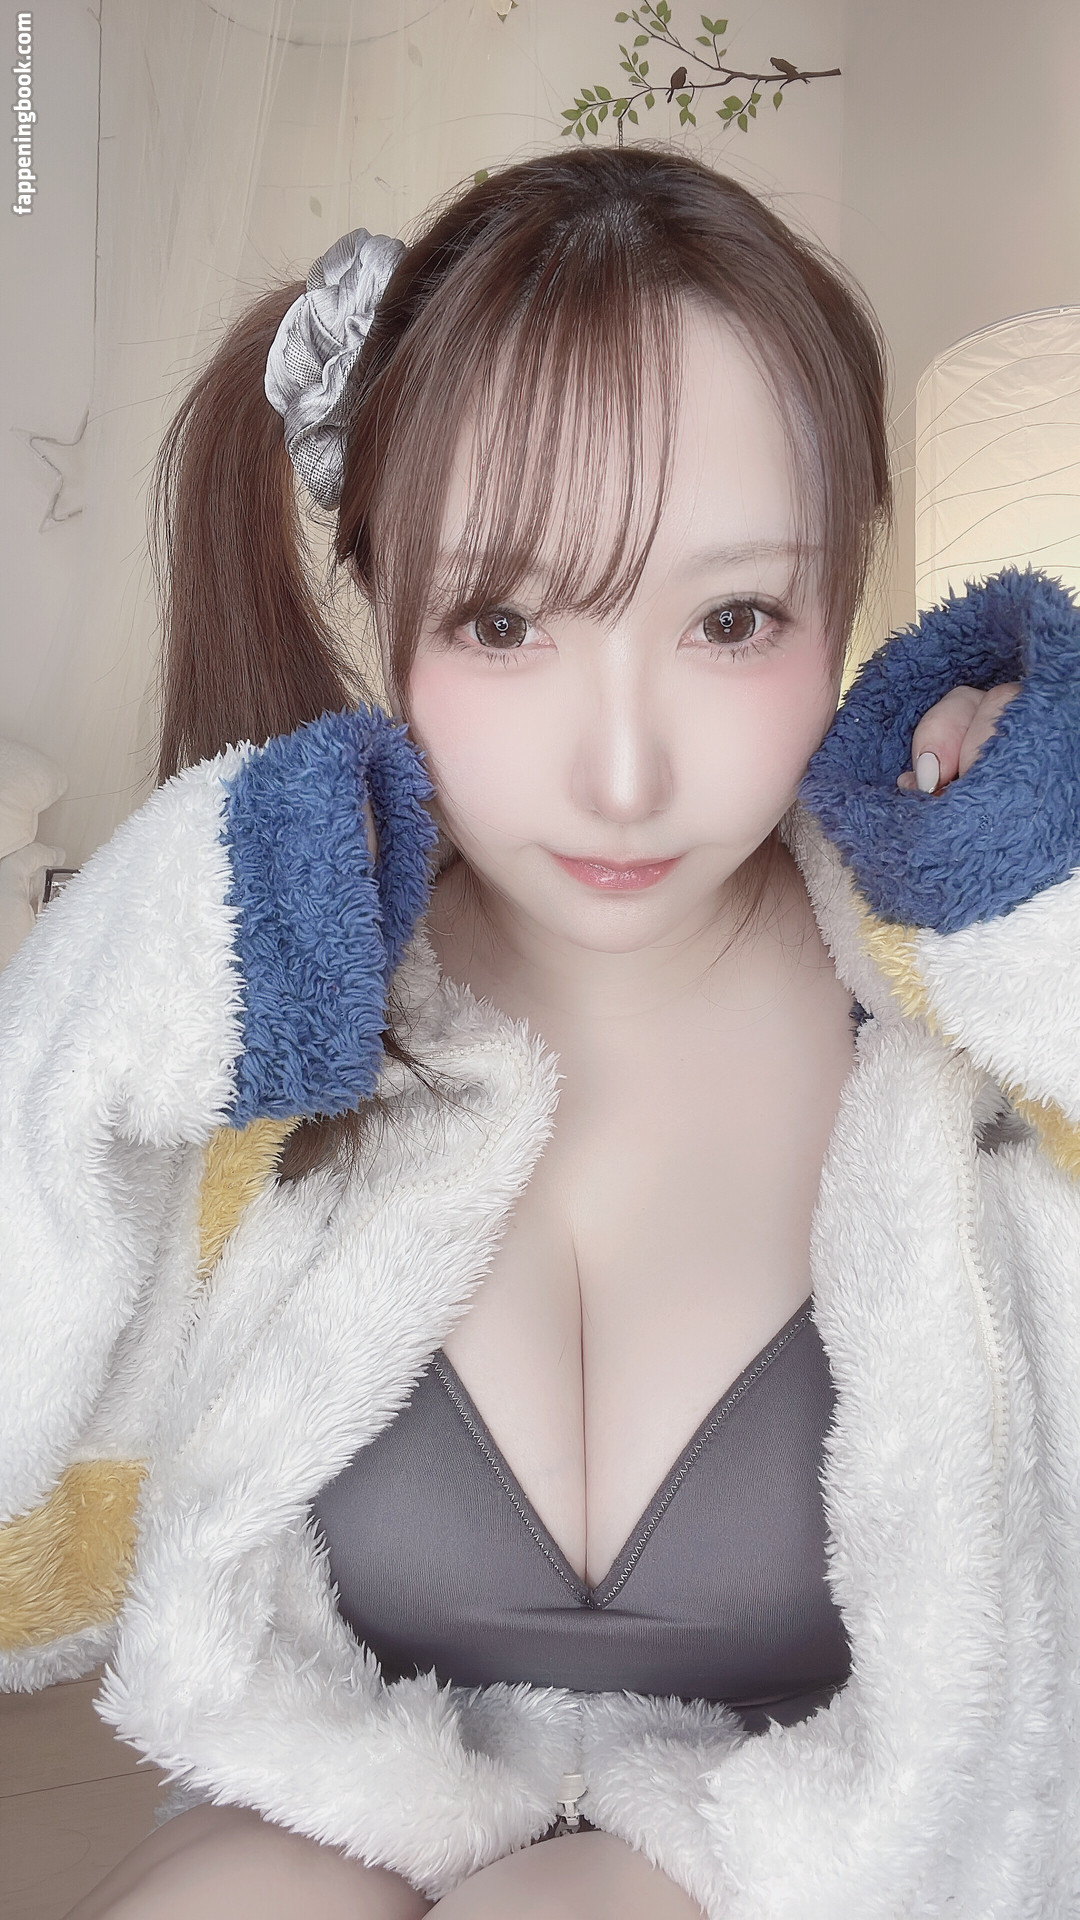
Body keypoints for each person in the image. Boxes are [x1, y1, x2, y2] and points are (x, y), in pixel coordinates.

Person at [0, 145, 1076, 1920]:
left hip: (835, 1843)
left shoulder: (956, 1003)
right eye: (506, 621)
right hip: (353, 1788)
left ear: (848, 595)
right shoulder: (248, 995)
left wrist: (1036, 881)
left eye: (733, 619)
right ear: (381, 593)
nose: (625, 771)